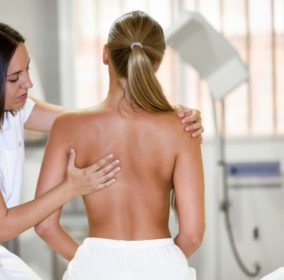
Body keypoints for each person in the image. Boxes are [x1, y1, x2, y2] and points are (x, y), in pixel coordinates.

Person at [0, 19, 203, 279]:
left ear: (106, 54)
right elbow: (0, 226)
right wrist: (72, 187)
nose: (28, 84)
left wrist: (168, 112)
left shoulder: (12, 106)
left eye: (27, 70)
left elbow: (86, 121)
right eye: (15, 77)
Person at [35, 10, 205, 280]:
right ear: (157, 62)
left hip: (94, 265)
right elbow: (193, 234)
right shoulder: (183, 127)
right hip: (161, 264)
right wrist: (160, 263)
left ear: (106, 54)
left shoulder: (67, 126)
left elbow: (45, 225)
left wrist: (91, 260)